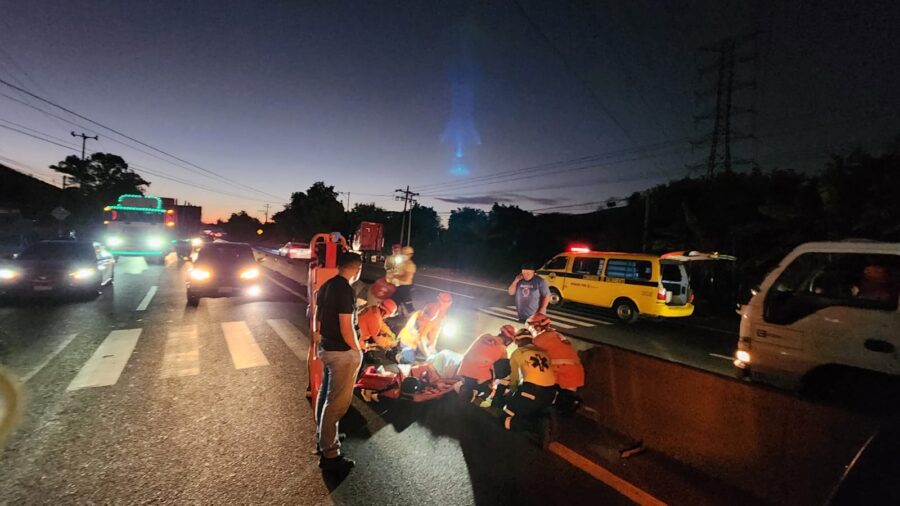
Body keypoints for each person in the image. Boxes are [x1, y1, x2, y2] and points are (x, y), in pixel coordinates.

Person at [315, 252, 363, 472]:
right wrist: (357, 350)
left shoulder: (327, 285)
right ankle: (330, 454)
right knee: (336, 404)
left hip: (326, 348)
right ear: (356, 269)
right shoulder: (345, 289)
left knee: (325, 396)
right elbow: (346, 326)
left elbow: (317, 318)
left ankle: (324, 436)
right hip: (341, 353)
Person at [502, 333, 557, 445]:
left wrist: (507, 392)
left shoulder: (519, 352)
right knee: (529, 409)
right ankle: (541, 417)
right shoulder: (544, 353)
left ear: (518, 341)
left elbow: (513, 379)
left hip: (531, 392)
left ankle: (537, 426)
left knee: (506, 418)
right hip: (550, 395)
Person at [528, 313, 585, 416]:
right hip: (575, 370)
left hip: (561, 370)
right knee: (566, 401)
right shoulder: (556, 335)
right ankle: (570, 405)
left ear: (536, 326)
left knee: (540, 388)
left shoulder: (539, 339)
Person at [457, 325, 516, 405]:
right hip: (477, 380)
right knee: (506, 364)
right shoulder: (503, 350)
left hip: (462, 371)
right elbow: (500, 370)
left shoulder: (484, 336)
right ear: (508, 340)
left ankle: (469, 387)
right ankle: (478, 390)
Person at [389, 246, 417, 315]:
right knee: (399, 302)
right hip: (400, 286)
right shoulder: (402, 263)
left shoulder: (410, 265)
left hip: (405, 286)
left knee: (402, 303)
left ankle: (413, 317)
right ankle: (398, 313)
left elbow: (406, 278)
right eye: (403, 254)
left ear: (410, 255)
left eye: (406, 254)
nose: (403, 255)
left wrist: (395, 277)